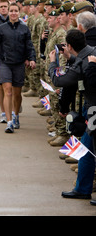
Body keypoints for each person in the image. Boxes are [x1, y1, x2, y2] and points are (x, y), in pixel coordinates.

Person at [48, 29, 96, 206]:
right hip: (91, 108)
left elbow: (61, 81)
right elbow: (81, 63)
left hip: (94, 110)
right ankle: (82, 189)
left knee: (89, 149)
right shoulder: (91, 52)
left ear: (69, 45)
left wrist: (53, 64)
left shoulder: (82, 62)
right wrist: (71, 58)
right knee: (87, 149)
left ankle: (83, 189)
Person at [0, 3, 36, 133]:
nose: (14, 13)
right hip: (4, 63)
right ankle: (9, 122)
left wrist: (31, 58)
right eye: (11, 11)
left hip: (19, 64)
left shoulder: (24, 29)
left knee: (17, 93)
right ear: (8, 13)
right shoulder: (1, 28)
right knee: (7, 90)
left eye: (16, 11)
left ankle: (16, 115)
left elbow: (29, 46)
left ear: (19, 13)